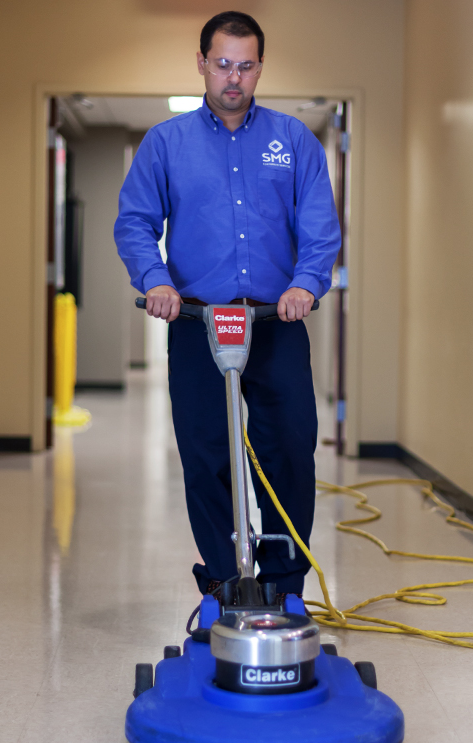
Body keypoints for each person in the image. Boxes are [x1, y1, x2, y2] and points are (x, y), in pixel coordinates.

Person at [114, 11, 341, 600]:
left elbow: (319, 228)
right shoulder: (166, 143)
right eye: (222, 64)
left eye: (245, 65)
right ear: (201, 64)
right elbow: (136, 222)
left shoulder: (294, 142)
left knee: (289, 448)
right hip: (197, 323)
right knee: (206, 452)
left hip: (275, 321)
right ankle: (222, 583)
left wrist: (306, 284)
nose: (233, 78)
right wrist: (156, 280)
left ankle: (285, 587)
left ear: (260, 67)